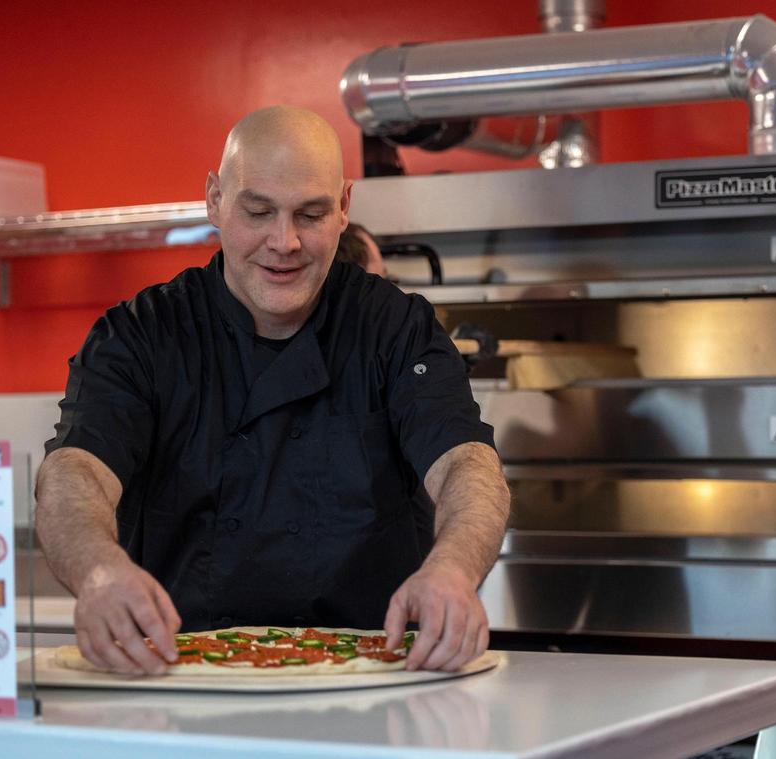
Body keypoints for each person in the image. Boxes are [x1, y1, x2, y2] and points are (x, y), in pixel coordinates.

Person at [35, 105, 510, 676]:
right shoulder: (141, 334)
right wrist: (98, 571)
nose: (283, 242)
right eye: (257, 212)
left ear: (343, 208)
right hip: (181, 680)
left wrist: (454, 570)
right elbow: (74, 473)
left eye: (310, 215)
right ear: (214, 199)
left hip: (370, 683)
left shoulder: (394, 327)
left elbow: (467, 464)